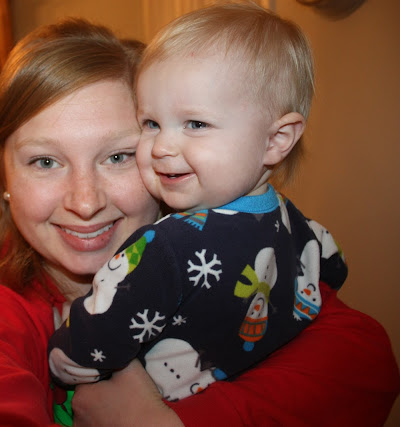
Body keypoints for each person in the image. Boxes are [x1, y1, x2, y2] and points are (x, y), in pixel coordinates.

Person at [0, 16, 400, 427]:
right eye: (45, 161)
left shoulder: (236, 255)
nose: (85, 202)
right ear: (3, 171)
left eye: (118, 156)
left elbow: (365, 362)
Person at [47, 1, 348, 407]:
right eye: (151, 123)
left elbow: (92, 341)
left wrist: (61, 351)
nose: (162, 146)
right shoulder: (292, 219)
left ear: (276, 140)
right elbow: (332, 266)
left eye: (196, 123)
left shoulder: (165, 248)